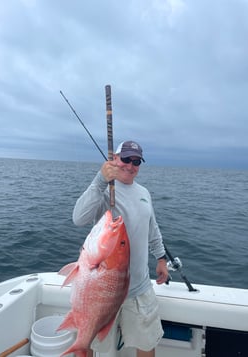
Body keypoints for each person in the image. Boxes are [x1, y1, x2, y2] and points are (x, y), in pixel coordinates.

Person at [73, 140, 168, 357]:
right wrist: (100, 180)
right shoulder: (103, 190)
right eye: (125, 159)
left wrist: (161, 258)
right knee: (99, 348)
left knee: (146, 342)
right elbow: (78, 219)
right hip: (101, 291)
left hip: (139, 287)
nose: (130, 165)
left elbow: (152, 228)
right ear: (114, 159)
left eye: (136, 161)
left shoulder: (144, 192)